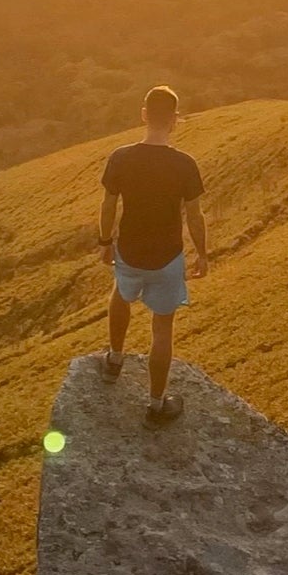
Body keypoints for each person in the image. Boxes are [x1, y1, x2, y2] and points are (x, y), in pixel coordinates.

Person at [97, 85, 207, 426]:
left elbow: (108, 205)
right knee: (162, 329)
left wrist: (105, 241)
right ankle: (157, 406)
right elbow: (194, 216)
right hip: (167, 257)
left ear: (144, 114)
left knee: (120, 294)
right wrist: (202, 254)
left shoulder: (121, 157)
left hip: (129, 250)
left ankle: (114, 360)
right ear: (175, 119)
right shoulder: (185, 164)